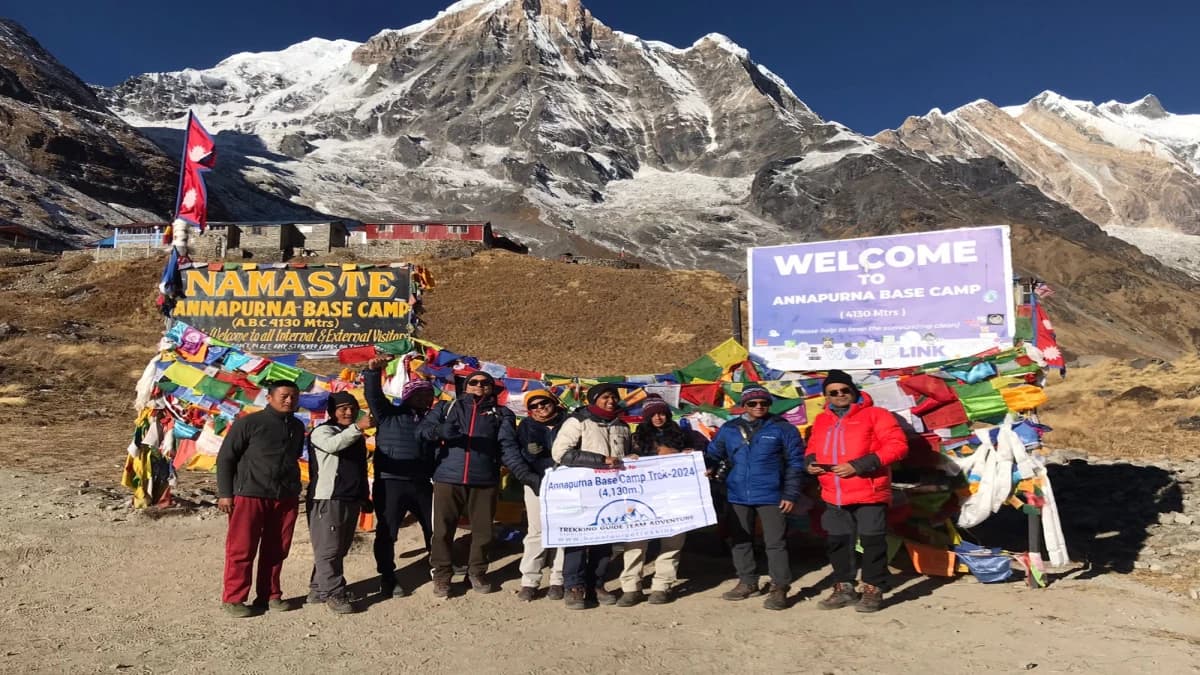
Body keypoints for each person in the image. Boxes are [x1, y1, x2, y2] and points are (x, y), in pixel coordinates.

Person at [806, 370, 908, 613]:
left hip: (868, 490)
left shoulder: (876, 415)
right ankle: (844, 588)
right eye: (834, 392)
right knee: (838, 543)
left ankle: (874, 588)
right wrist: (809, 462)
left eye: (845, 390)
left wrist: (858, 466)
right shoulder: (822, 420)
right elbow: (811, 447)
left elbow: (897, 446)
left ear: (854, 391)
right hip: (833, 493)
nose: (840, 395)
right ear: (826, 396)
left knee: (873, 542)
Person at [418, 370, 519, 597]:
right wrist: (438, 431)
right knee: (442, 530)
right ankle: (442, 574)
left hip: (484, 479)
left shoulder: (502, 414)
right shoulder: (446, 408)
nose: (480, 385)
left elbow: (507, 447)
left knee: (483, 532)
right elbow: (422, 431)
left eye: (486, 383)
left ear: (492, 388)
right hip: (447, 477)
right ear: (465, 386)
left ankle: (477, 571)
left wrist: (523, 473)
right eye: (474, 382)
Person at [704, 386, 806, 611]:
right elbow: (713, 454)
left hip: (772, 494)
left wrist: (790, 493)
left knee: (775, 542)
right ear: (744, 405)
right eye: (752, 403)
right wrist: (704, 465)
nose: (759, 407)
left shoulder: (783, 429)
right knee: (740, 540)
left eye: (764, 403)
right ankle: (748, 581)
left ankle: (779, 587)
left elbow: (795, 463)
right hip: (737, 493)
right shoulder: (729, 429)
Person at [216, 379, 307, 618]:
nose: (290, 400)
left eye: (294, 397)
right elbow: (226, 458)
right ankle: (234, 598)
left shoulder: (297, 426)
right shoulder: (249, 423)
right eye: (284, 396)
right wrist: (225, 493)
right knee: (242, 548)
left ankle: (269, 594)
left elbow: (294, 457)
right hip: (249, 494)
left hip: (285, 496)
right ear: (269, 397)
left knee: (277, 548)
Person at [550, 383, 634, 610]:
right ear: (593, 399)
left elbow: (626, 455)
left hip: (611, 492)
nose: (610, 401)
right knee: (578, 538)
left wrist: (634, 458)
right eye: (605, 397)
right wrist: (600, 460)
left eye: (613, 397)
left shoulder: (623, 426)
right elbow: (560, 453)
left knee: (604, 539)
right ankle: (574, 586)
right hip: (581, 490)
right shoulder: (578, 421)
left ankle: (596, 583)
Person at [363, 356, 436, 599]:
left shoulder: (430, 421)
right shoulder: (388, 415)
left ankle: (439, 568)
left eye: (428, 395)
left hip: (421, 483)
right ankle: (387, 576)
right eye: (419, 395)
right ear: (408, 397)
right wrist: (373, 373)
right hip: (390, 481)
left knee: (433, 528)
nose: (424, 399)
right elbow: (373, 397)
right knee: (388, 531)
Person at [618, 394, 690, 606]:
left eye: (661, 413)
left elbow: (698, 457)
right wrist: (630, 459)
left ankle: (662, 585)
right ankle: (631, 587)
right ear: (646, 417)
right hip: (643, 497)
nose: (658, 418)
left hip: (673, 495)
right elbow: (623, 460)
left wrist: (684, 455)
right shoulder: (637, 437)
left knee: (673, 540)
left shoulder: (682, 435)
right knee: (635, 541)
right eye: (653, 414)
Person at [305, 392, 372, 614]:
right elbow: (333, 446)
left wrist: (364, 496)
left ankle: (318, 589)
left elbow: (360, 470)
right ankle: (334, 592)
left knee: (339, 548)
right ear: (332, 411)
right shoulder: (322, 431)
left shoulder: (355, 436)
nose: (349, 412)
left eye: (352, 407)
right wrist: (358, 428)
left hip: (350, 498)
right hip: (328, 497)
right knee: (328, 548)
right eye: (342, 408)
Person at [505, 389, 569, 602]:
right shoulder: (526, 426)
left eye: (544, 403)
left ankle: (558, 578)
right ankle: (530, 580)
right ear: (529, 410)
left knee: (564, 530)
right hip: (536, 482)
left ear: (553, 403)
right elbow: (516, 452)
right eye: (534, 406)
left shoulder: (569, 422)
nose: (540, 408)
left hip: (566, 484)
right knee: (537, 531)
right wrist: (528, 455)